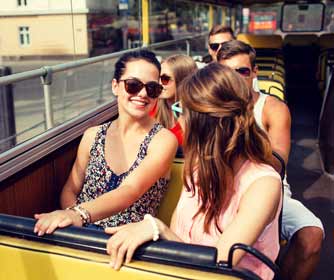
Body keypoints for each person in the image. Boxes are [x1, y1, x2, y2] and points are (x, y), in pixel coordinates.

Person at [105, 63, 282, 280]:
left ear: (204, 123)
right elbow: (180, 240)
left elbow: (220, 264)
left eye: (181, 112)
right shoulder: (197, 168)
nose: (178, 121)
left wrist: (158, 228)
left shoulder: (263, 185)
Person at [33, 50, 178, 235]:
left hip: (126, 242)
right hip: (80, 235)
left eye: (152, 88)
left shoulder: (163, 140)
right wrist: (74, 222)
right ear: (115, 86)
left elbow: (130, 190)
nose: (143, 94)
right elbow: (70, 189)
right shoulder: (93, 136)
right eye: (133, 85)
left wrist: (79, 215)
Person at [217, 40, 324, 280]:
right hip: (218, 186)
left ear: (255, 72)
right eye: (225, 72)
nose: (233, 79)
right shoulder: (208, 106)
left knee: (312, 234)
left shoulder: (272, 108)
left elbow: (277, 165)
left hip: (268, 190)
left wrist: (242, 132)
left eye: (241, 72)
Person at [153, 54, 197, 145]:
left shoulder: (198, 116)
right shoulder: (151, 107)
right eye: (157, 77)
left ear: (182, 80)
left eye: (165, 79)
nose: (159, 83)